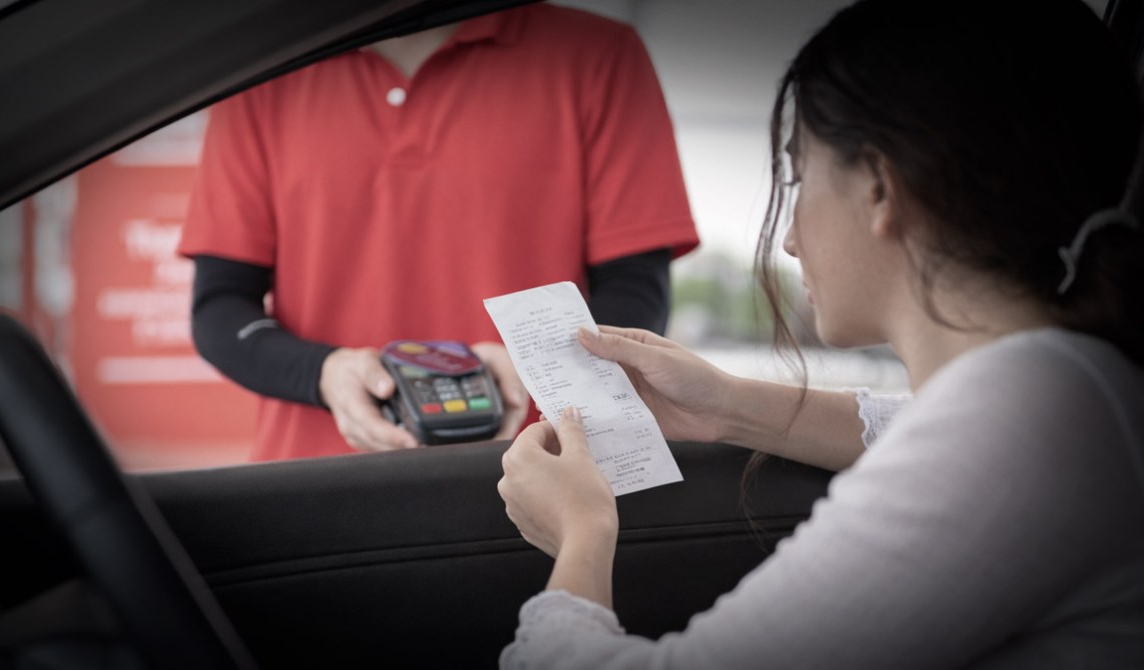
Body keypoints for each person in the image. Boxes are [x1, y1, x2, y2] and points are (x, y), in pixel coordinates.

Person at [497, 0, 1144, 666]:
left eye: (800, 178)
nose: (789, 238)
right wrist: (725, 405)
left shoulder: (1017, 424)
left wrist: (580, 535)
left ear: (878, 191)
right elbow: (911, 425)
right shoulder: (1061, 389)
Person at [176, 4, 699, 461]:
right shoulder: (261, 69)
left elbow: (636, 294)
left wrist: (532, 368)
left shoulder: (600, 55)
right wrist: (324, 373)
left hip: (544, 481)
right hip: (308, 486)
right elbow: (221, 307)